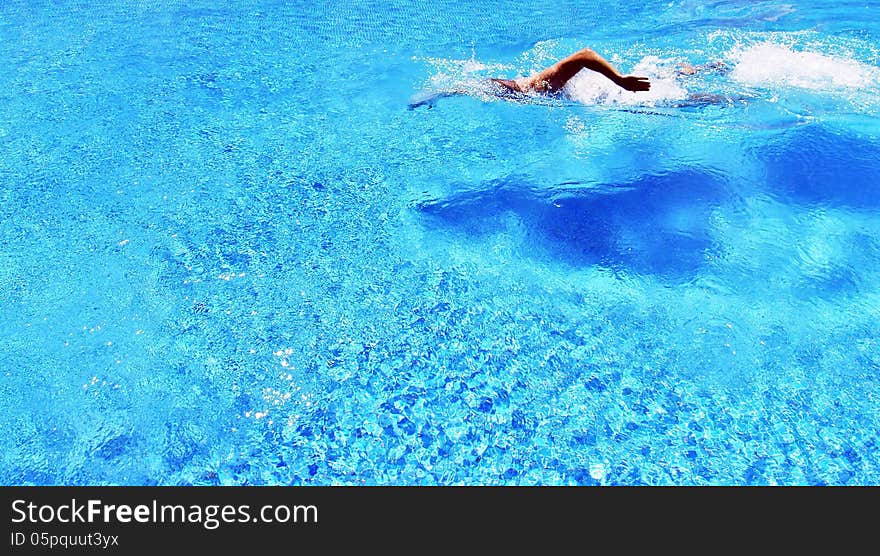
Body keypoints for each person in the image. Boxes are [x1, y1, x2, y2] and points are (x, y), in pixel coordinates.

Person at [409, 46, 650, 109]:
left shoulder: (545, 88)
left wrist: (619, 80)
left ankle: (433, 94)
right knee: (464, 88)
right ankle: (433, 94)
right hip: (515, 89)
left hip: (519, 89)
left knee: (465, 88)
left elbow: (585, 56)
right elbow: (585, 56)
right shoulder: (543, 88)